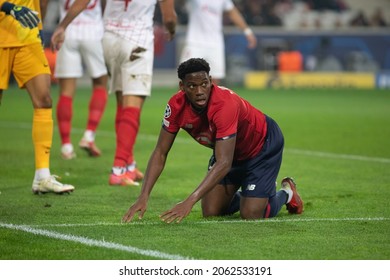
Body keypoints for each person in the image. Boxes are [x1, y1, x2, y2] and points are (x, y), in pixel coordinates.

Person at [122, 58, 303, 224]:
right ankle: (253, 194)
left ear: (211, 81)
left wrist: (189, 201)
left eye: (204, 84)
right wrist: (143, 196)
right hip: (229, 151)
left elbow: (224, 162)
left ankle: (286, 193)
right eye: (192, 86)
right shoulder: (175, 106)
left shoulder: (224, 105)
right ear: (182, 87)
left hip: (261, 146)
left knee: (251, 214)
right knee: (211, 211)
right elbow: (160, 152)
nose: (200, 91)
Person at [51, 0, 177, 186]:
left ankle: (129, 164)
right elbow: (169, 17)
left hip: (109, 40)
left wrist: (62, 26)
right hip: (137, 41)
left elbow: (82, 1)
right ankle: (118, 169)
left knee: (122, 104)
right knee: (132, 109)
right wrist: (171, 29)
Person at [0, 0, 75, 194]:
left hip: (27, 36)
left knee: (44, 100)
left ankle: (42, 175)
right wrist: (8, 7)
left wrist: (39, 27)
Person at [54, 0, 108, 160]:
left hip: (67, 34)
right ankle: (89, 136)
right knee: (100, 84)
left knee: (66, 92)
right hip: (92, 32)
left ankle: (66, 147)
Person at [179, 0, 257, 85]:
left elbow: (233, 12)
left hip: (215, 44)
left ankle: (212, 99)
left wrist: (247, 32)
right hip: (195, 43)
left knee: (215, 80)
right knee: (187, 77)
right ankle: (182, 99)